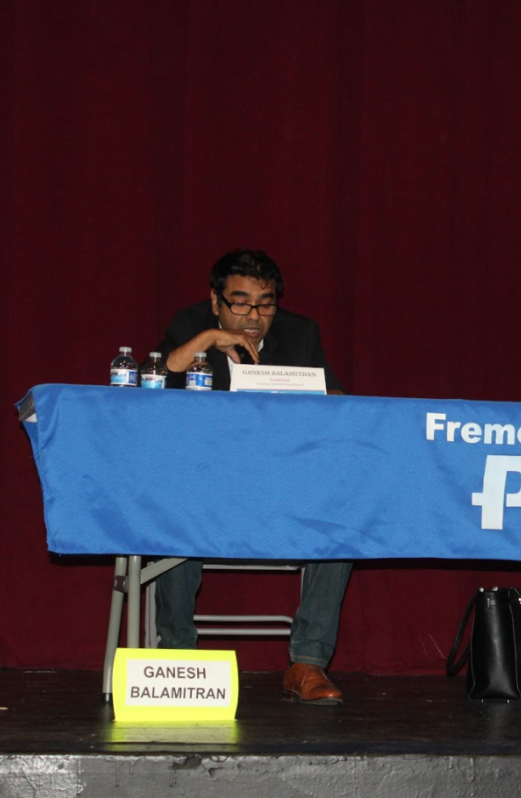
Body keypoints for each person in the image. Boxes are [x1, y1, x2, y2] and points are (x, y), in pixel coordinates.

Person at [152, 248, 353, 705]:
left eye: (265, 304)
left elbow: (337, 397)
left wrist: (322, 397)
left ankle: (307, 662)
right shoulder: (191, 326)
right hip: (205, 490)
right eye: (240, 303)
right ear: (215, 301)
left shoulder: (300, 333)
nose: (254, 316)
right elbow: (154, 379)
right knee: (169, 510)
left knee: (340, 519)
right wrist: (206, 339)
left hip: (281, 487)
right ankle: (179, 658)